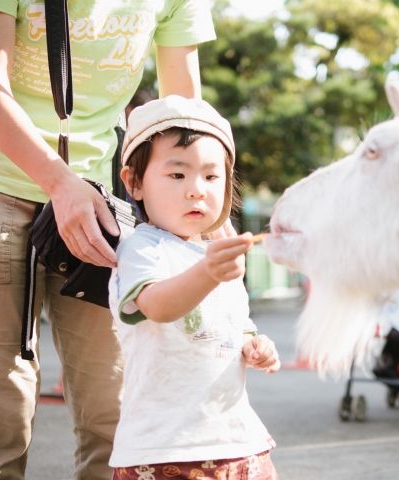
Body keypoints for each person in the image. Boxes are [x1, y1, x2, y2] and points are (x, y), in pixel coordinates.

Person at [0, 1, 216, 478]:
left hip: (99, 203)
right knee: (1, 414)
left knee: (114, 413)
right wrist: (59, 183)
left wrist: (203, 204)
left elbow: (182, 112)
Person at [109, 96, 279, 479]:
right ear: (134, 183)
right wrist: (209, 272)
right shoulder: (142, 247)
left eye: (211, 176)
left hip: (237, 441)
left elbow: (238, 329)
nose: (197, 190)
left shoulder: (215, 256)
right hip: (165, 449)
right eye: (177, 174)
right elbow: (156, 305)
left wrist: (258, 347)